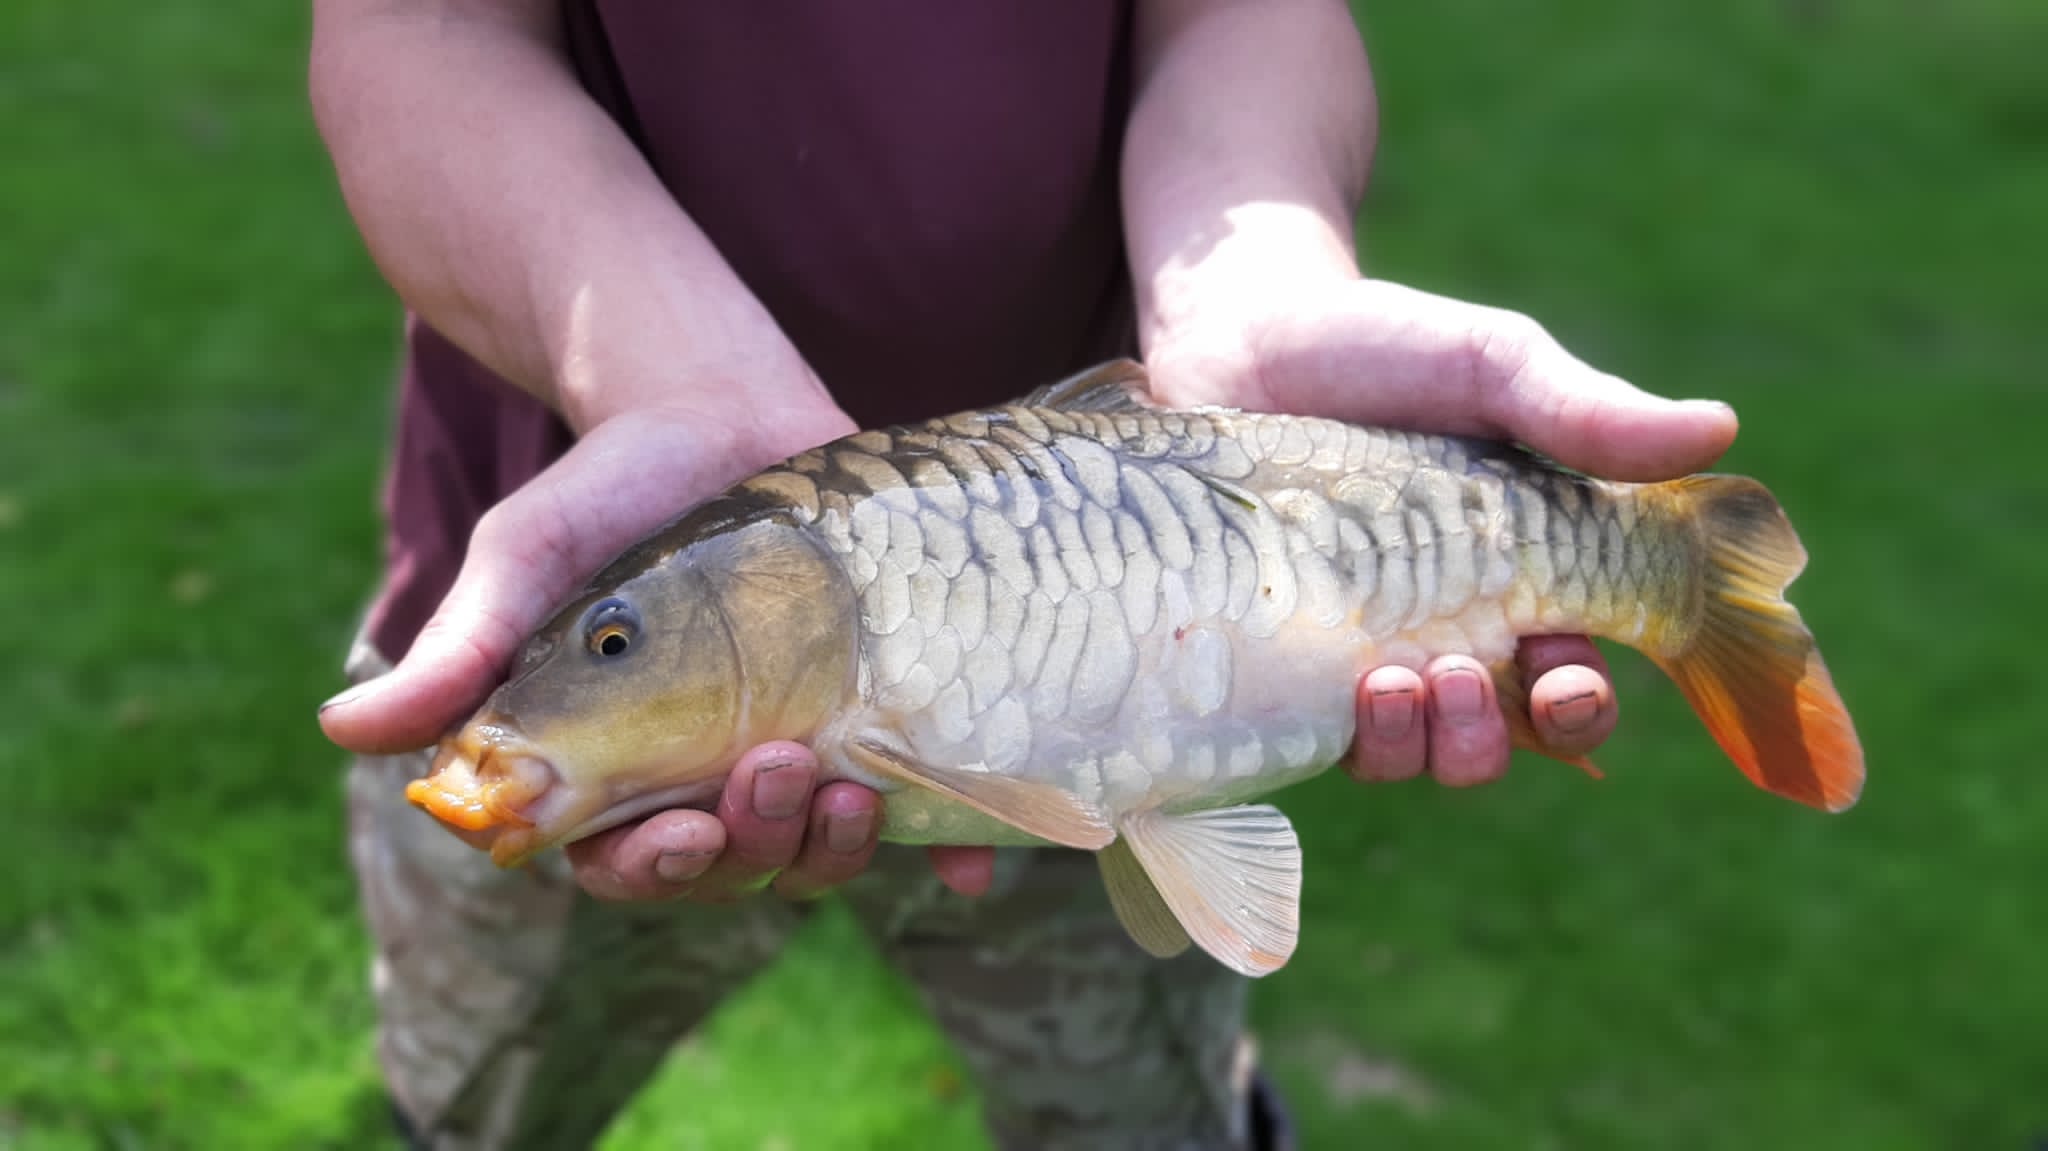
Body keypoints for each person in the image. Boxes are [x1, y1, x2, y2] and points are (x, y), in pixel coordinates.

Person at [308, 2, 1737, 1147]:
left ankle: (1672, 576)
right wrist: (661, 373)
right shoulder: (589, 656)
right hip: (573, 492)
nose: (611, 653)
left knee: (1146, 1121)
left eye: (615, 644)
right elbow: (425, 29)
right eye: (620, 645)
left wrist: (1256, 292)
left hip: (1152, 551)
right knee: (481, 1105)